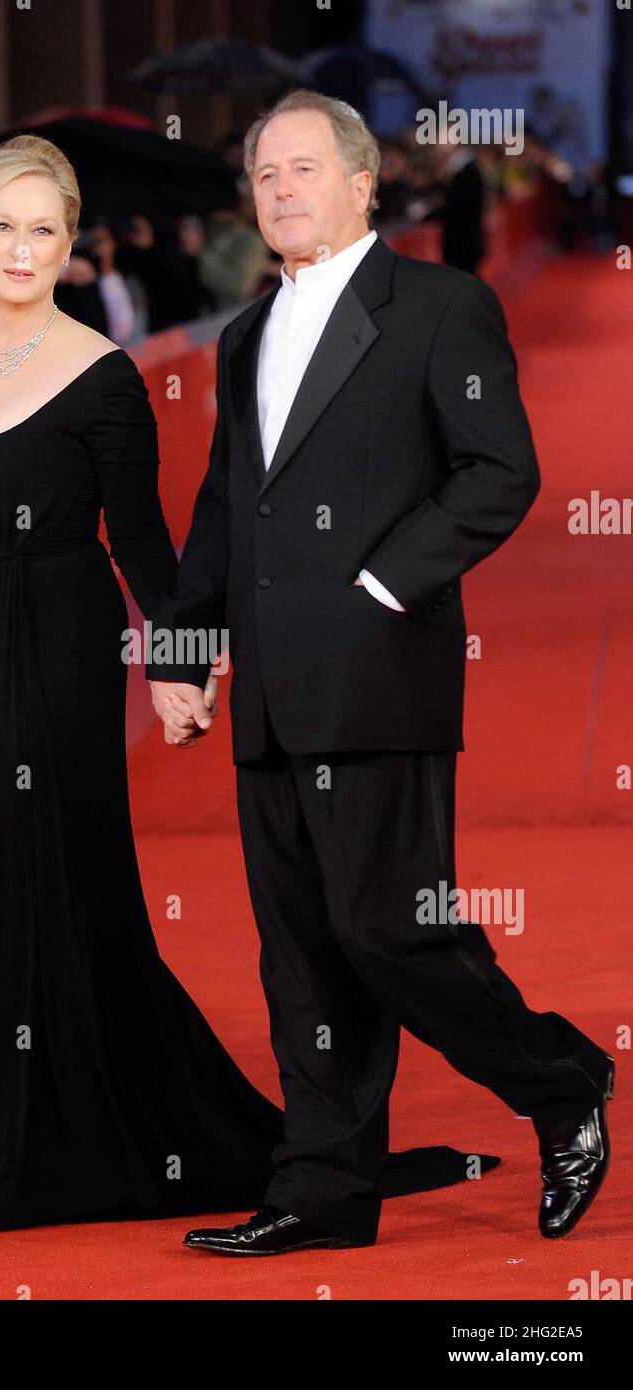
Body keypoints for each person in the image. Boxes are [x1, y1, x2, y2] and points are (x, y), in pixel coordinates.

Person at [0, 133, 500, 1238]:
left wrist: (173, 660)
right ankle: (121, 1131)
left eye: (46, 230)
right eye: (4, 226)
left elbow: (148, 544)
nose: (24, 248)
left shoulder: (104, 375)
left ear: (72, 248)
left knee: (53, 895)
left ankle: (0, 1168)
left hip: (61, 662)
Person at [148, 91, 614, 1255]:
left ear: (364, 184)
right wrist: (181, 648)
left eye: (306, 168)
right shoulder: (246, 334)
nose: (284, 191)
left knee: (389, 931)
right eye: (265, 175)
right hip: (265, 690)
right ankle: (322, 1187)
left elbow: (498, 471)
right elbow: (223, 512)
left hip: (377, 675)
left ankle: (562, 1081)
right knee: (300, 951)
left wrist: (382, 588)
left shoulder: (442, 306)